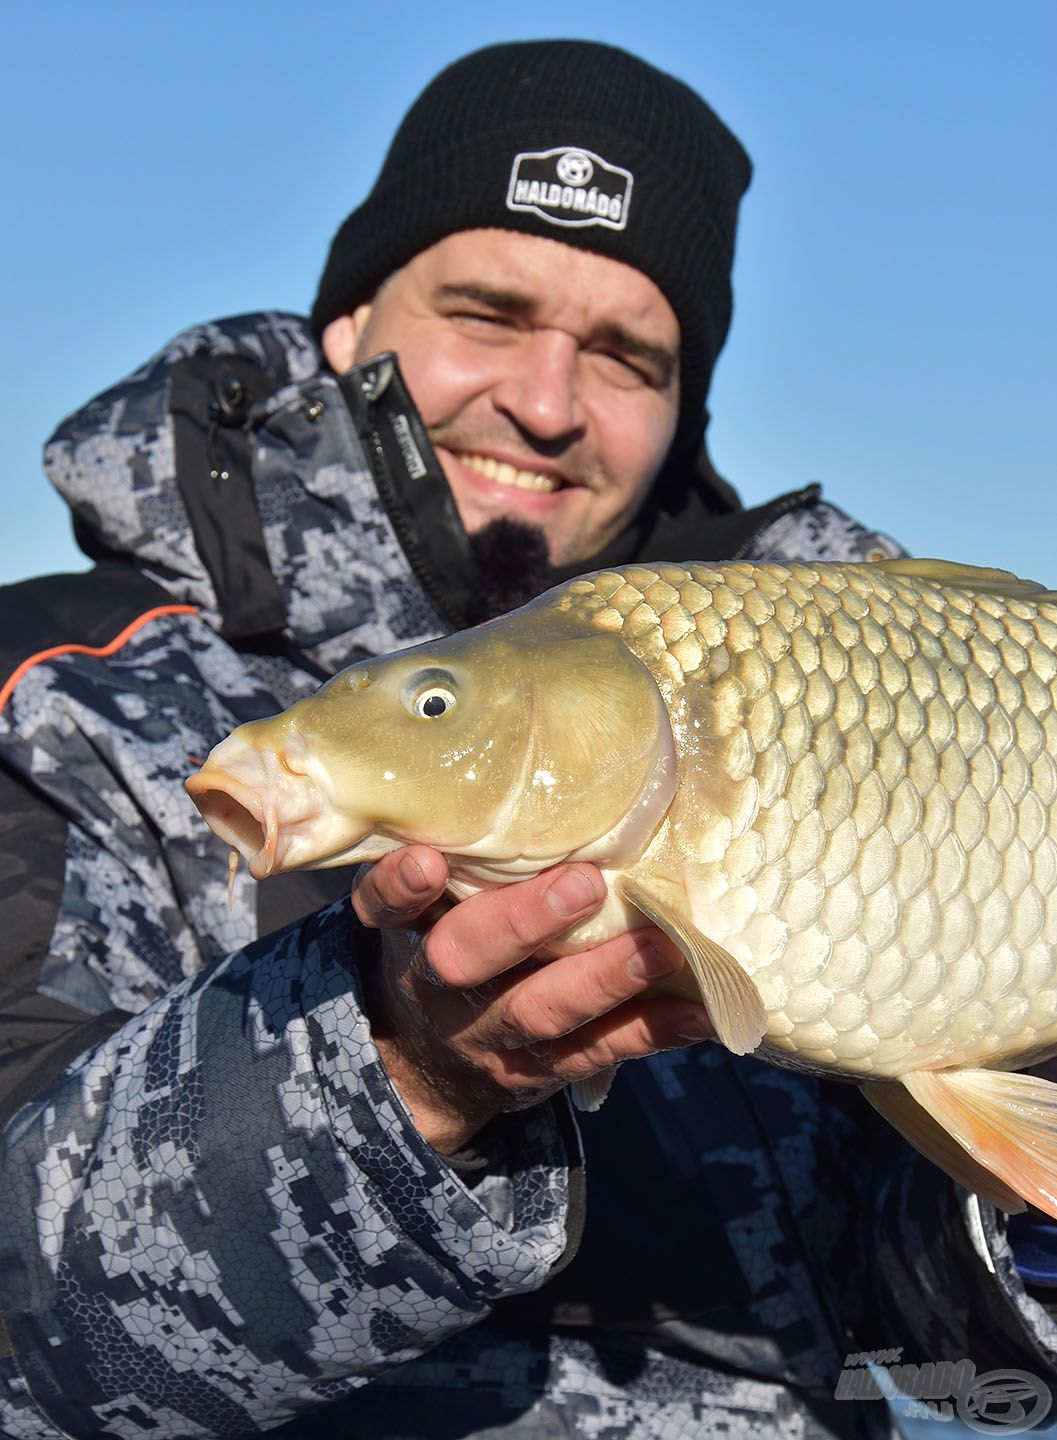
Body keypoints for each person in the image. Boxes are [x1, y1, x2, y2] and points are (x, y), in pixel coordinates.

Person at [0, 39, 1052, 1440]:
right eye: (486, 312)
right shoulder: (68, 703)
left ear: (682, 409)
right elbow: (27, 1331)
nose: (546, 403)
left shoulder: (820, 676)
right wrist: (400, 1071)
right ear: (347, 323)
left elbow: (953, 1353)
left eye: (624, 354)